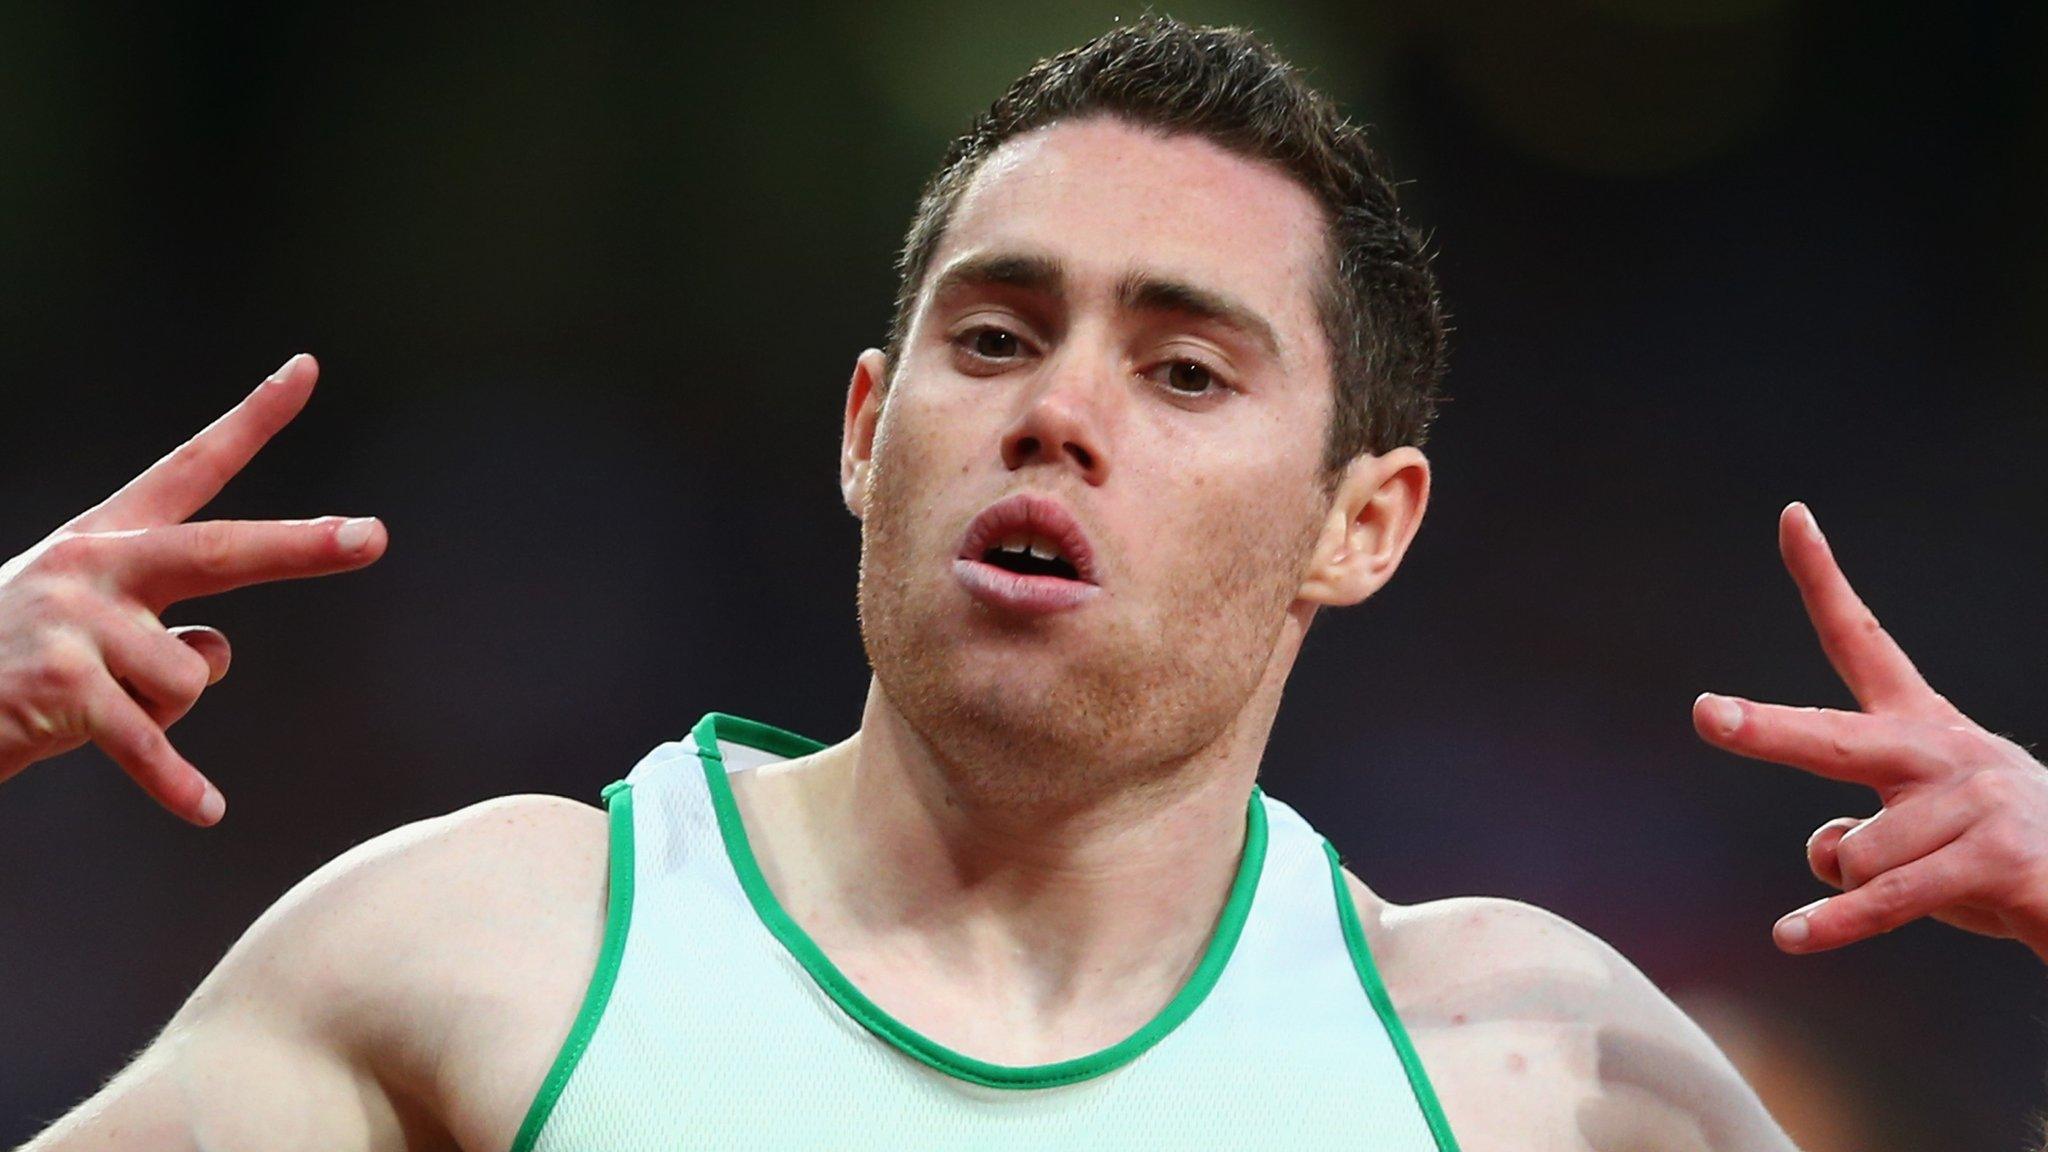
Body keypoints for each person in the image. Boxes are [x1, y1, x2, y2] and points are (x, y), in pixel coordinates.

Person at [5, 17, 2045, 1152]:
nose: (1056, 412)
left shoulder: (1524, 1075)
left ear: (1367, 520)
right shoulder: (477, 955)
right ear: (864, 427)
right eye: (993, 338)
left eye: (1180, 369)